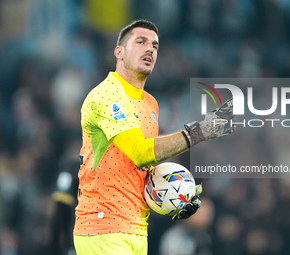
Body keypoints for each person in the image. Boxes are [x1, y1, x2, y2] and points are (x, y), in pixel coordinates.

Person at [73, 19, 235, 255]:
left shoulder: (150, 104)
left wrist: (179, 196)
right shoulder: (105, 96)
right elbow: (140, 153)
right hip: (103, 226)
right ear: (119, 51)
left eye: (155, 46)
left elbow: (139, 171)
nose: (149, 49)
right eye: (140, 42)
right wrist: (200, 131)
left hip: (136, 228)